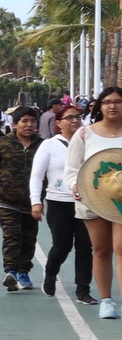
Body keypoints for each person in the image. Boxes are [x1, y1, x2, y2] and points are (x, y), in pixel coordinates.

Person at [67, 87, 122, 317]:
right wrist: (76, 187)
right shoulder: (84, 134)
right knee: (101, 249)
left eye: (118, 101)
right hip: (93, 198)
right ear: (99, 106)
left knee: (121, 248)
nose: (113, 105)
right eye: (107, 101)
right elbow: (71, 170)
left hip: (120, 201)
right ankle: (106, 300)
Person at [32, 102, 94, 303]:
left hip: (86, 203)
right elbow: (37, 175)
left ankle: (83, 289)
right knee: (62, 245)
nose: (75, 120)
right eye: (70, 117)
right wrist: (36, 201)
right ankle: (50, 273)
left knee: (85, 247)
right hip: (59, 203)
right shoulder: (49, 145)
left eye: (78, 116)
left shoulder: (89, 142)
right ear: (59, 123)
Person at [0, 106, 42, 292]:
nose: (29, 125)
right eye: (24, 121)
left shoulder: (42, 145)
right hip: (6, 200)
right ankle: (11, 272)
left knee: (29, 238)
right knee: (12, 236)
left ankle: (24, 272)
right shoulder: (2, 144)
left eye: (32, 121)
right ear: (14, 124)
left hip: (32, 202)